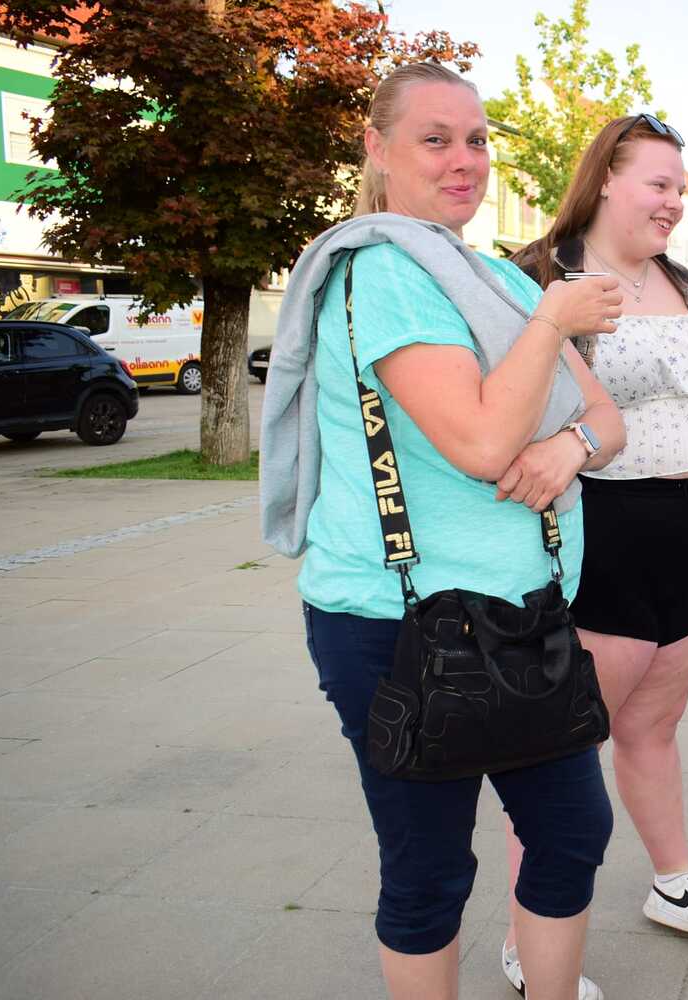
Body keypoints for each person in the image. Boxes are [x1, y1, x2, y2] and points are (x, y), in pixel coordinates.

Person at [260, 63, 628, 1000]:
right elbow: (480, 442)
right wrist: (551, 319)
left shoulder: (490, 273)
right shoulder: (383, 271)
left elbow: (605, 418)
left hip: (524, 612)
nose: (465, 160)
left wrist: (572, 448)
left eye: (477, 140)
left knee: (571, 832)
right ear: (378, 150)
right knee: (429, 869)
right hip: (400, 625)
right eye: (436, 139)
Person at [511, 113, 688, 954]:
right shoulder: (539, 277)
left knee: (655, 725)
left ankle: (675, 882)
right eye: (659, 183)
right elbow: (507, 406)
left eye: (679, 188)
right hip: (599, 540)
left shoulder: (687, 285)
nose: (674, 202)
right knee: (561, 748)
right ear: (606, 178)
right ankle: (528, 937)